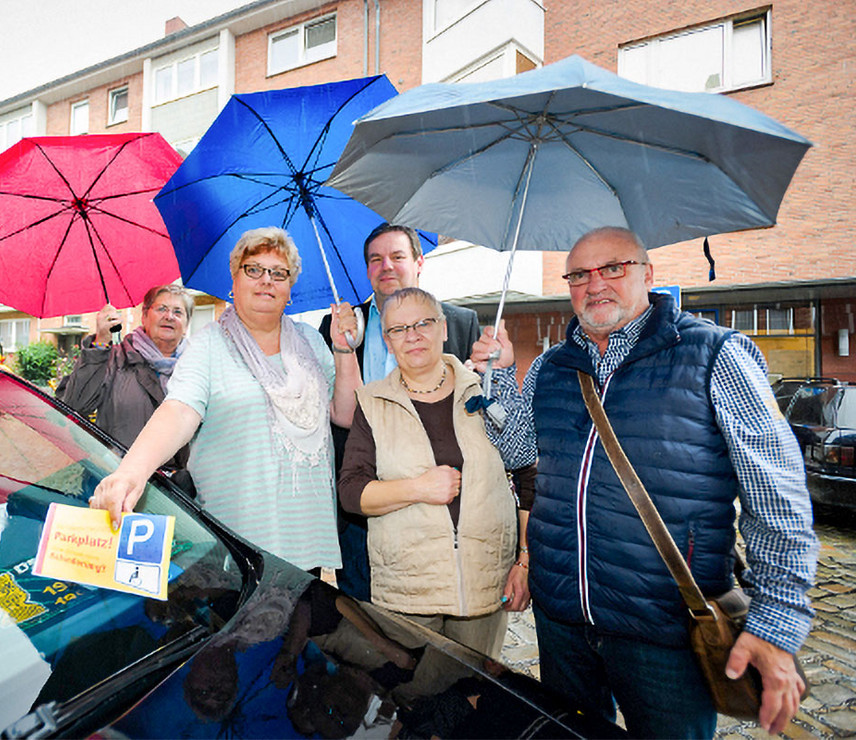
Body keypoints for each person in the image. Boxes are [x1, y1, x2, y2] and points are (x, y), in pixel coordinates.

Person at [473, 226, 818, 738]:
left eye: (614, 268)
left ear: (648, 274)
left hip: (665, 631)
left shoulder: (715, 356)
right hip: (564, 619)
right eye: (579, 275)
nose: (595, 285)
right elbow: (520, 451)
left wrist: (776, 621)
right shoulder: (551, 366)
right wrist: (498, 376)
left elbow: (778, 498)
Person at [91, 227, 361, 573]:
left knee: (304, 625)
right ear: (234, 280)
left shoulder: (310, 340)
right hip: (240, 542)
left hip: (307, 533)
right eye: (254, 269)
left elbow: (346, 413)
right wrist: (131, 473)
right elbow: (179, 411)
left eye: (279, 273)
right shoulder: (209, 345)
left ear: (290, 287)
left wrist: (343, 348)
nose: (267, 280)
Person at [338, 287, 529, 661]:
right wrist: (418, 488)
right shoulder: (372, 402)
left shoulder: (484, 388)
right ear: (387, 341)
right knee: (416, 705)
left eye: (424, 323)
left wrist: (524, 561)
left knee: (476, 702)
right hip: (408, 594)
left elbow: (527, 472)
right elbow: (351, 492)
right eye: (398, 329)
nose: (412, 335)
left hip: (483, 588)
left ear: (443, 328)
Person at [317, 223, 485, 602]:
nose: (386, 266)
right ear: (366, 271)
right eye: (376, 260)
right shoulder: (336, 327)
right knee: (364, 617)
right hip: (361, 505)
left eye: (397, 256)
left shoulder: (458, 323)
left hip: (438, 503)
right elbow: (334, 413)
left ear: (419, 262)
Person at [55, 284, 194, 468]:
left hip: (175, 491)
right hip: (116, 478)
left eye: (178, 312)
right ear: (144, 316)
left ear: (186, 324)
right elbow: (74, 405)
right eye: (162, 309)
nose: (169, 316)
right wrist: (100, 344)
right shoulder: (114, 358)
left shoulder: (196, 369)